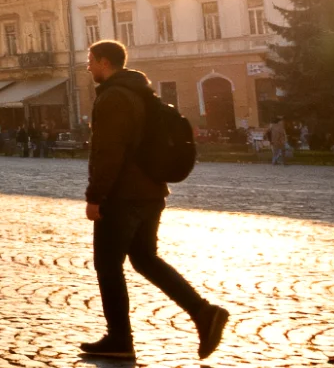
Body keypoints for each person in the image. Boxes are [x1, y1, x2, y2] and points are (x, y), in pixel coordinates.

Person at [81, 39, 228, 361]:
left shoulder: (113, 98)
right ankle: (203, 313)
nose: (88, 66)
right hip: (152, 191)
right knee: (146, 259)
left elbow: (109, 152)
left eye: (91, 60)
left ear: (105, 62)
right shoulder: (142, 92)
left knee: (108, 266)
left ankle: (120, 339)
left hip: (123, 196)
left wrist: (96, 196)